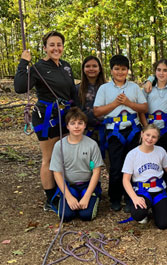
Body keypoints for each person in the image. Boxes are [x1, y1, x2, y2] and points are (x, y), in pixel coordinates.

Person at [14, 31, 77, 211]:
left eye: (59, 44)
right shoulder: (38, 68)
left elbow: (72, 90)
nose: (56, 48)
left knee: (64, 156)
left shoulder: (66, 66)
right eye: (52, 45)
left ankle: (62, 189)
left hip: (65, 116)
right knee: (49, 158)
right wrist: (23, 62)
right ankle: (50, 199)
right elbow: (19, 87)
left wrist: (78, 113)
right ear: (45, 48)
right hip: (46, 117)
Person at [93, 54, 148, 212]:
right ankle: (115, 197)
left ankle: (130, 197)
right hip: (114, 131)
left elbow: (144, 108)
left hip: (132, 129)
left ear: (127, 71)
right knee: (116, 166)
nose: (120, 72)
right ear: (111, 70)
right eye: (116, 69)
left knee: (132, 165)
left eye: (123, 69)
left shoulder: (133, 88)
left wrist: (128, 103)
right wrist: (115, 103)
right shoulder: (104, 89)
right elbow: (97, 112)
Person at [49, 107, 104, 222]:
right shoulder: (59, 146)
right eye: (73, 123)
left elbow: (96, 171)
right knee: (66, 216)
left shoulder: (92, 145)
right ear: (67, 126)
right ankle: (69, 199)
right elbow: (57, 173)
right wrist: (69, 197)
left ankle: (92, 197)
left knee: (86, 215)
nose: (76, 126)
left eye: (80, 123)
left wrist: (87, 196)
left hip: (87, 185)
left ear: (85, 125)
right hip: (69, 186)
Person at [121, 124, 167, 229]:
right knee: (138, 214)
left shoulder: (161, 151)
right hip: (142, 191)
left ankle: (156, 207)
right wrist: (134, 198)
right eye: (147, 135)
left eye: (154, 137)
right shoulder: (132, 154)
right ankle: (145, 211)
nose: (150, 139)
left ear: (157, 139)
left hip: (158, 190)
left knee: (163, 224)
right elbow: (126, 180)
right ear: (142, 134)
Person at [139, 59, 167, 189]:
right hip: (149, 128)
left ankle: (162, 188)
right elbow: (141, 109)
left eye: (165, 70)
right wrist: (145, 126)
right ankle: (145, 187)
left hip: (165, 129)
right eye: (158, 70)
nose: (161, 73)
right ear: (154, 72)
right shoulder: (148, 88)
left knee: (163, 159)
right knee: (148, 158)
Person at [76, 56, 106, 141]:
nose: (91, 69)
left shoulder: (108, 87)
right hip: (85, 131)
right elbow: (75, 110)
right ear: (83, 69)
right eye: (88, 66)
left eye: (94, 66)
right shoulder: (77, 89)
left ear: (100, 69)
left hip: (106, 130)